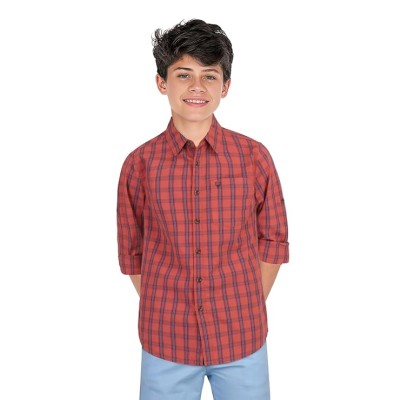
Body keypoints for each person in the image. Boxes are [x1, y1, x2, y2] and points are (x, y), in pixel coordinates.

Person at [117, 18, 289, 400]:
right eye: (184, 75)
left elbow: (274, 240)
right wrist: (169, 304)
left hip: (242, 339)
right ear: (161, 82)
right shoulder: (139, 164)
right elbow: (132, 252)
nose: (197, 87)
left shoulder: (254, 158)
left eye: (209, 76)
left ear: (225, 86)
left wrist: (242, 303)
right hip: (166, 340)